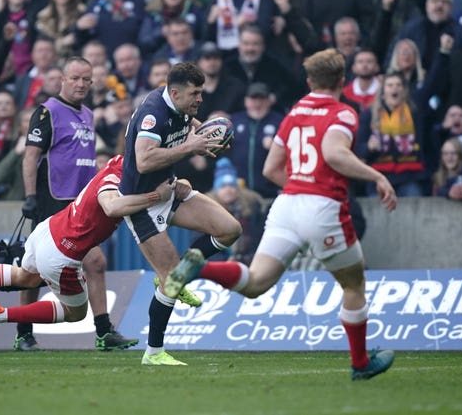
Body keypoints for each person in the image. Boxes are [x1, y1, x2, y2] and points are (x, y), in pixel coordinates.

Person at [164, 48, 398, 380]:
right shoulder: (343, 112)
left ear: (308, 81)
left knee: (257, 281)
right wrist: (376, 176)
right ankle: (360, 363)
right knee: (354, 283)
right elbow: (333, 152)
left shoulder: (295, 112)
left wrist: (302, 187)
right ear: (342, 82)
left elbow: (272, 168)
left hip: (286, 204)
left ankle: (202, 268)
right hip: (322, 208)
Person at [0, 156, 176, 336]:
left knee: (25, 277)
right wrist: (156, 197)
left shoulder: (119, 162)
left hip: (48, 229)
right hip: (62, 254)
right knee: (75, 313)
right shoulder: (119, 179)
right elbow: (111, 205)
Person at [119, 61, 242, 365]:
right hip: (142, 201)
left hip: (170, 189)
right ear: (174, 92)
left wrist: (210, 134)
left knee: (230, 229)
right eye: (195, 94)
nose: (200, 99)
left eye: (200, 92)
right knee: (171, 279)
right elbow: (144, 161)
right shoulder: (153, 113)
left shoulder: (178, 106)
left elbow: (190, 128)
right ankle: (154, 353)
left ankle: (182, 269)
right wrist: (191, 147)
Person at [18, 56, 134, 351]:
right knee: (32, 273)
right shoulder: (47, 112)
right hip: (53, 200)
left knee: (95, 262)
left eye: (86, 79)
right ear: (63, 80)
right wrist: (30, 196)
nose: (81, 84)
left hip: (81, 202)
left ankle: (104, 331)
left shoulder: (88, 114)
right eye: (75, 78)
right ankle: (23, 332)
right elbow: (31, 156)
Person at [226, 82, 284, 200]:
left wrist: (275, 146)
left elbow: (292, 153)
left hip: (271, 193)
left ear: (269, 101)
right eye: (253, 99)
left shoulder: (280, 121)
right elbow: (222, 152)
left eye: (262, 99)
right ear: (246, 101)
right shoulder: (234, 121)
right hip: (240, 193)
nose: (257, 104)